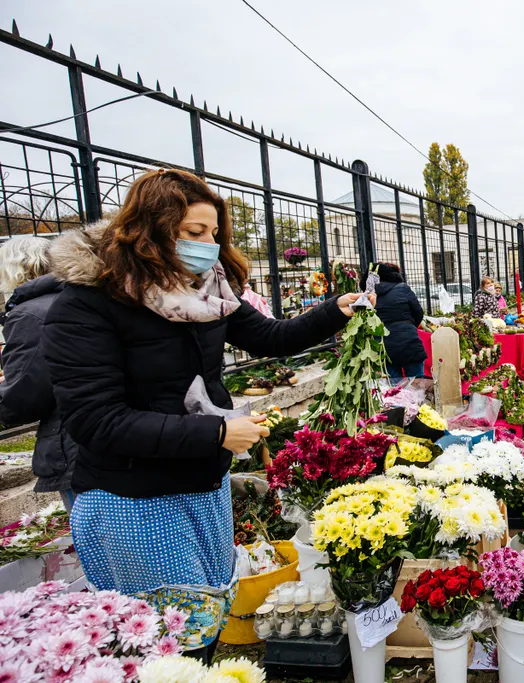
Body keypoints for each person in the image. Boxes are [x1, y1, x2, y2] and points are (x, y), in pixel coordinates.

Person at [42, 168, 370, 663]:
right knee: (168, 646)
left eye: (213, 233)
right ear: (149, 231)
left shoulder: (206, 293)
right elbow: (96, 421)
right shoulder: (87, 306)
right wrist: (216, 431)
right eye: (194, 233)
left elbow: (270, 337)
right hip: (134, 500)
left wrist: (336, 310)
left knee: (206, 622)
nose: (208, 245)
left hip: (203, 482)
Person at [0, 235, 81, 511]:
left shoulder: (29, 314)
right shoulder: (78, 295)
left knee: (97, 540)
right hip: (100, 436)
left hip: (73, 441)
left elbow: (27, 393)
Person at [365, 262, 426, 381]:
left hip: (384, 347)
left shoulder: (368, 295)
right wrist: (408, 326)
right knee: (418, 385)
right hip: (409, 343)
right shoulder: (403, 288)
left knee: (393, 389)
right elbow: (418, 313)